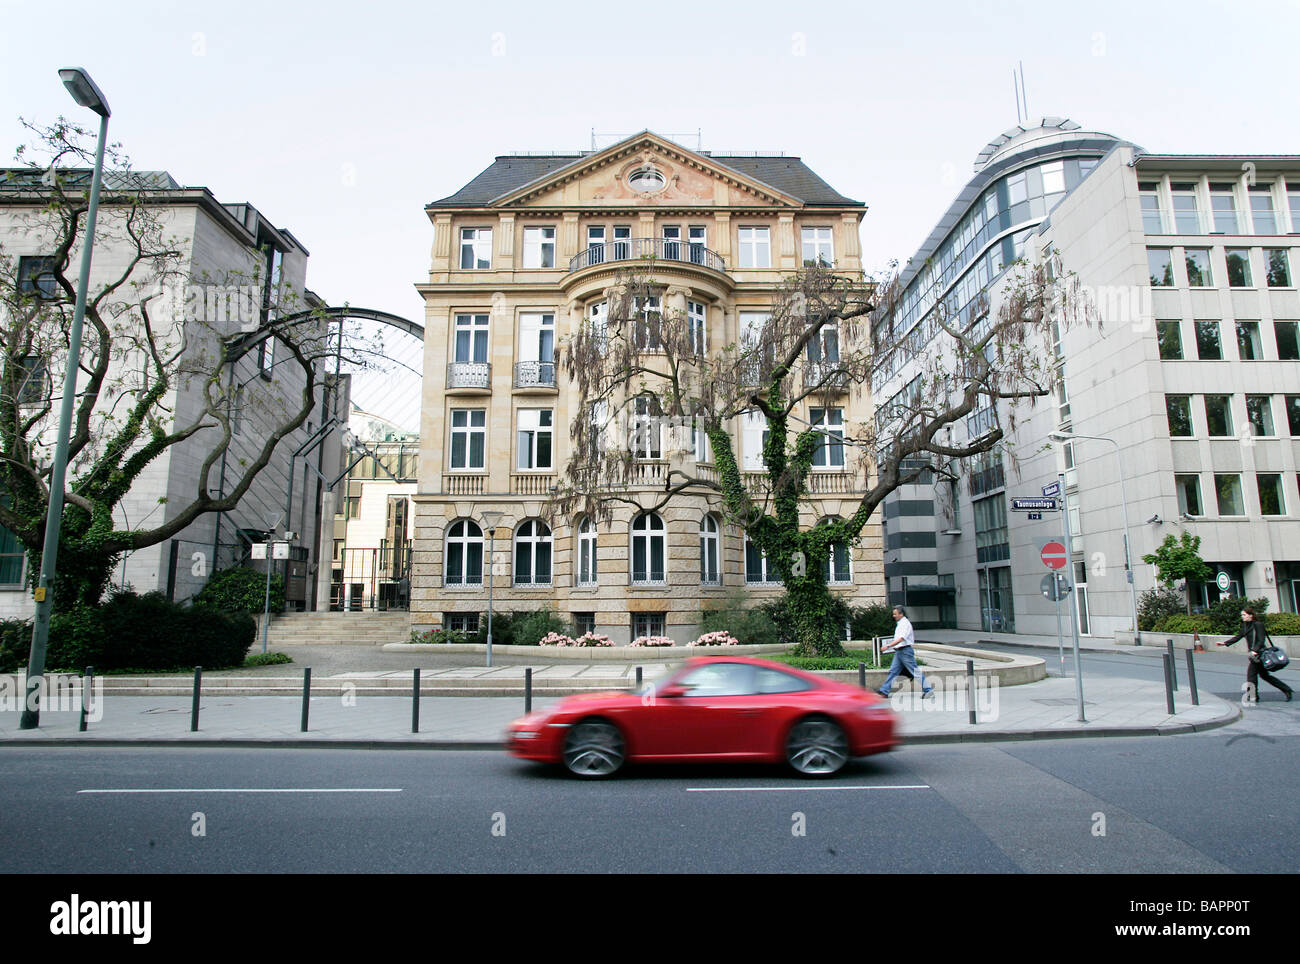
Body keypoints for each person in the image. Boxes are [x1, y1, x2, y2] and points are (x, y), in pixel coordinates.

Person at [1218, 606, 1293, 702]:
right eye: (1242, 615)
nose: (1242, 617)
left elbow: (1261, 640)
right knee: (1265, 676)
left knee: (1251, 675)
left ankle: (1253, 696)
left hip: (1259, 654)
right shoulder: (1245, 625)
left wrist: (1255, 650)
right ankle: (1286, 689)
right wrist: (1225, 643)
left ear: (1251, 615)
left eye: (1244, 615)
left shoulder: (1258, 625)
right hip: (1255, 655)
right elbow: (1238, 636)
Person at [879, 606, 934, 699]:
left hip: (905, 651)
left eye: (895, 614)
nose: (893, 616)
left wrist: (888, 646)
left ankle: (928, 690)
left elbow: (901, 638)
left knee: (915, 671)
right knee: (893, 671)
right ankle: (884, 691)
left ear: (901, 614)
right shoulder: (901, 623)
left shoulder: (905, 624)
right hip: (900, 651)